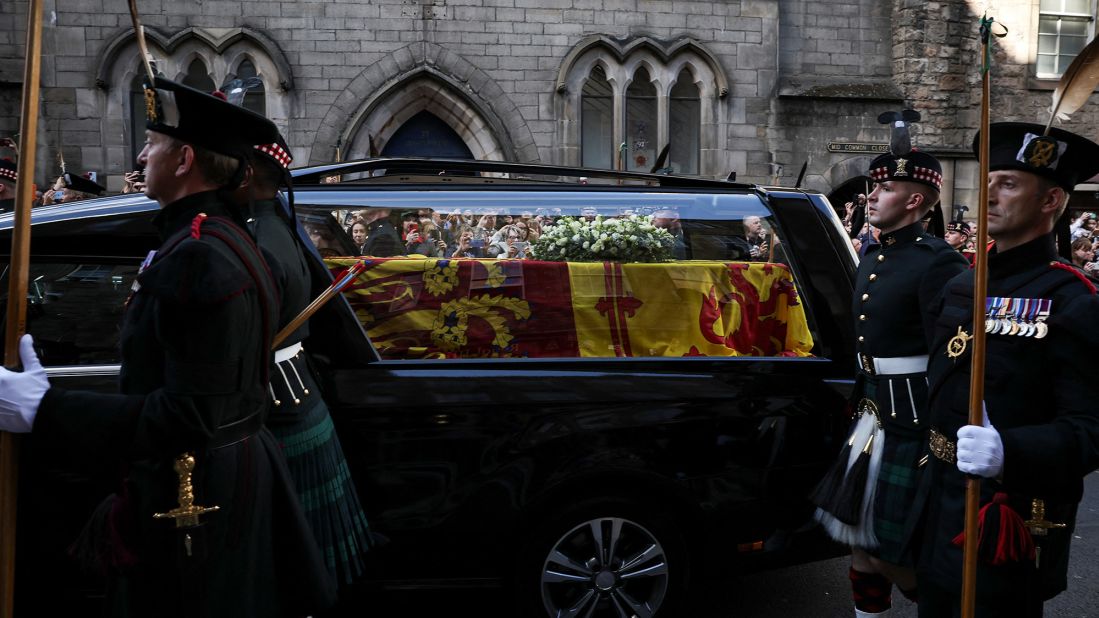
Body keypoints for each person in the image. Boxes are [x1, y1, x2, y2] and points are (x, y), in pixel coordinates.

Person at [0, 75, 335, 617]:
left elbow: (190, 415)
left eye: (153, 143)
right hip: (217, 472)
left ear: (183, 161)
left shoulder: (201, 255)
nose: (140, 153)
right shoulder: (214, 238)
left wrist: (45, 409)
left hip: (198, 487)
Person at [918, 122, 1099, 617]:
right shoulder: (961, 283)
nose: (989, 194)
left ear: (1051, 201)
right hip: (937, 498)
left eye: (1010, 183)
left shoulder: (1072, 299)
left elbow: (1089, 429)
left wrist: (1010, 451)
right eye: (989, 179)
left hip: (1005, 514)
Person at [811, 149, 967, 618]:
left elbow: (950, 352)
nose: (872, 196)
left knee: (892, 553)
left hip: (914, 415)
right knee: (860, 547)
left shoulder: (937, 261)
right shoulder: (874, 250)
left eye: (885, 189)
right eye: (873, 187)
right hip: (871, 409)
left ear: (916, 200)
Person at [236, 132, 375, 592]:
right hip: (297, 391)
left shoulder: (259, 233)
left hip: (279, 400)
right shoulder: (276, 222)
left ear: (249, 172)